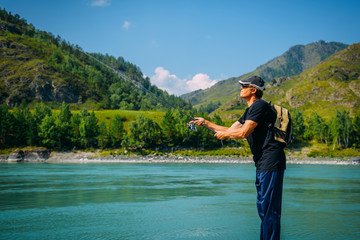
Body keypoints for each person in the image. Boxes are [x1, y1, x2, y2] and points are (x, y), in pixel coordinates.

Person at [189, 75, 286, 240]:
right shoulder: (250, 110)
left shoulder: (260, 105)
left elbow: (242, 133)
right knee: (264, 209)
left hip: (271, 162)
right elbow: (230, 128)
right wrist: (205, 122)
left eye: (244, 86)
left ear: (253, 90)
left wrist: (226, 134)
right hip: (263, 164)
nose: (241, 88)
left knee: (270, 210)